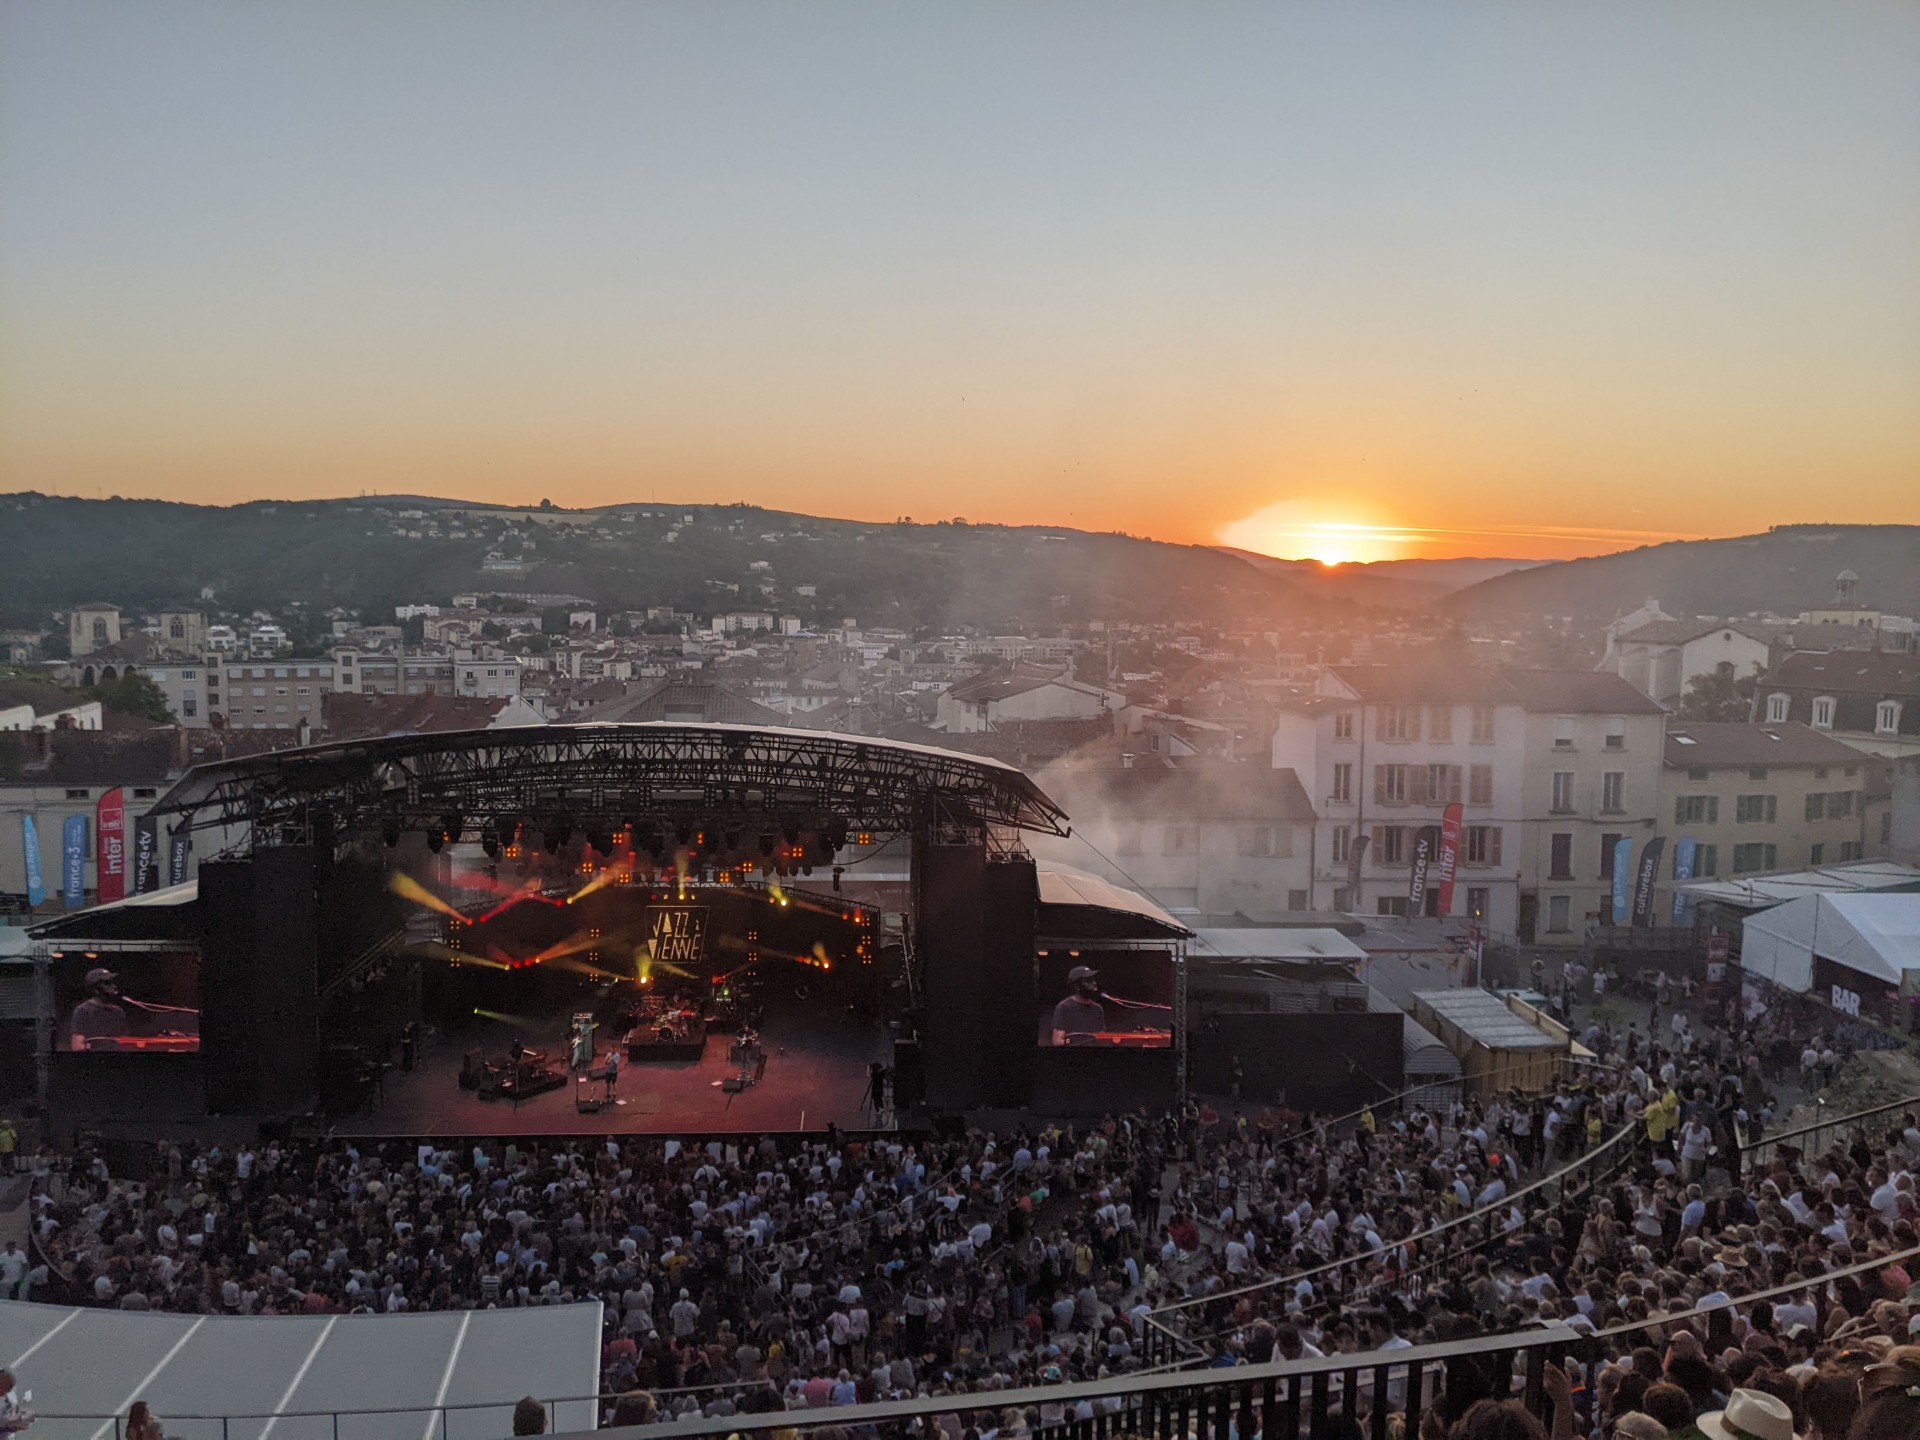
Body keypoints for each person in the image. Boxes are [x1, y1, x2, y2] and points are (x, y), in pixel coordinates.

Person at [68, 969, 128, 1050]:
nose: (114, 986)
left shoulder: (118, 1012)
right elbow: (77, 1046)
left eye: (112, 982)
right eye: (107, 983)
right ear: (95, 989)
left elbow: (125, 1043)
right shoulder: (83, 1011)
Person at [1049, 966, 1105, 1046]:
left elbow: (1102, 1037)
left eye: (1093, 979)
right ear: (1076, 985)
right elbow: (1057, 1041)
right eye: (1088, 980)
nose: (1094, 983)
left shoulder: (1098, 1009)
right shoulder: (1064, 1007)